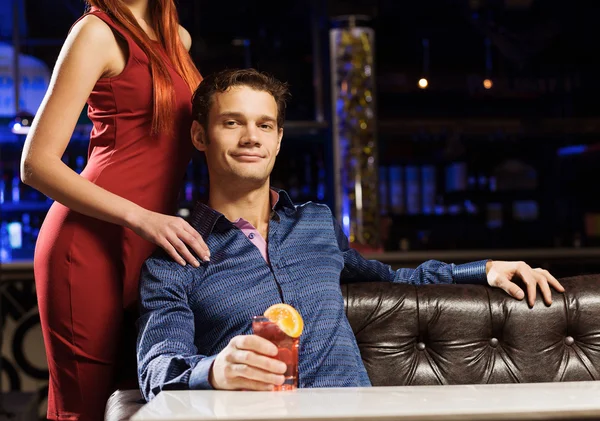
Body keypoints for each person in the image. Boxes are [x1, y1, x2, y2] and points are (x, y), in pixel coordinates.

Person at [136, 68, 565, 401]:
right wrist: (215, 371)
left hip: (352, 409)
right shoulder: (174, 258)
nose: (251, 137)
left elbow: (393, 281)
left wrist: (485, 269)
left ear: (279, 139)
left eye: (264, 125)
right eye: (232, 123)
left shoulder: (316, 223)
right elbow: (156, 369)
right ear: (199, 135)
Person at [19, 1, 211, 420]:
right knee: (84, 408)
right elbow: (35, 164)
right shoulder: (96, 32)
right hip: (88, 244)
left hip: (153, 247)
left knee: (137, 403)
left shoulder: (176, 38)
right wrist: (140, 217)